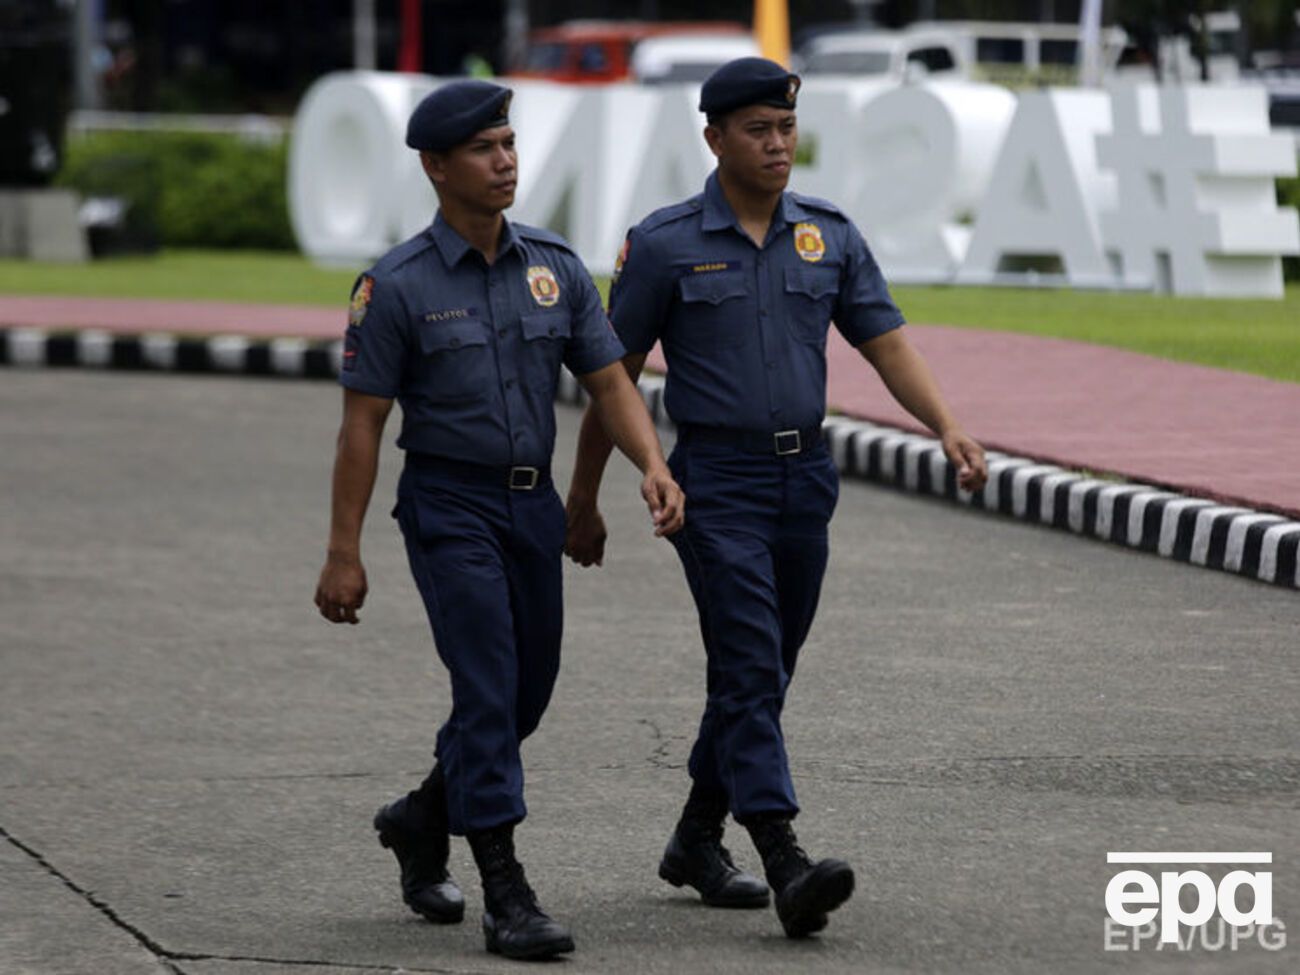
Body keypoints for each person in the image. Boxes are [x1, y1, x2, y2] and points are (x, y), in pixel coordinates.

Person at [564, 58, 988, 939]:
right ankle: (784, 853)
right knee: (752, 665)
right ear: (714, 138)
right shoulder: (665, 242)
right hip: (715, 483)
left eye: (787, 128)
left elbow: (887, 344)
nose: (777, 144)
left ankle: (693, 837)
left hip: (807, 479)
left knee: (765, 671)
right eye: (758, 130)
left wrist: (946, 424)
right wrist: (587, 496)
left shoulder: (826, 236)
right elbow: (614, 377)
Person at [313, 79, 684, 962]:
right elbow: (362, 424)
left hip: (532, 505)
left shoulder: (554, 268)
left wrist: (655, 466)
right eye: (484, 149)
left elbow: (608, 383)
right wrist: (343, 552)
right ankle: (505, 890)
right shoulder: (396, 285)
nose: (505, 160)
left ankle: (419, 818)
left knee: (527, 691)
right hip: (448, 504)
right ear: (437, 167)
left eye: (509, 143)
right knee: (486, 688)